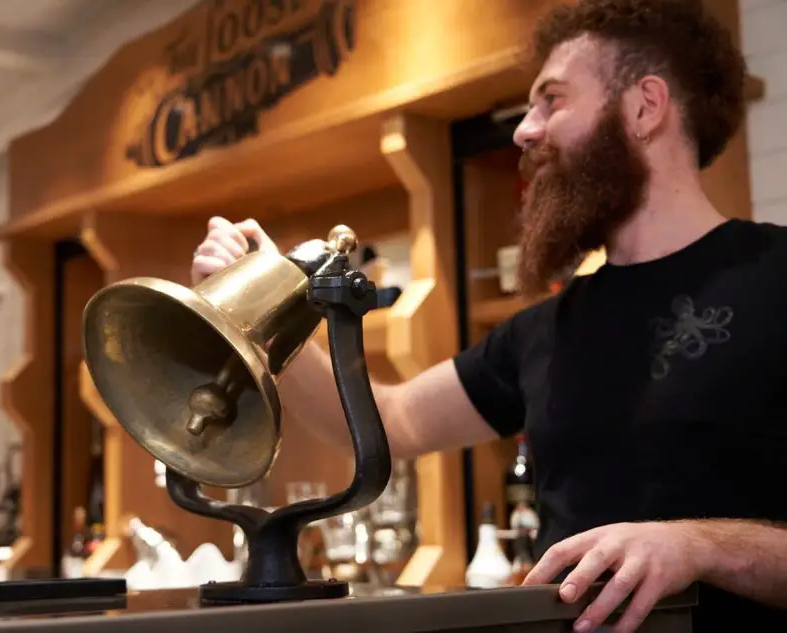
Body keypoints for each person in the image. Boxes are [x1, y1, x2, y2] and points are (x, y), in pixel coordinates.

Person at [190, 1, 787, 631]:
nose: (525, 131)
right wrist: (259, 315)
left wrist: (699, 546)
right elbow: (389, 422)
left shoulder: (775, 277)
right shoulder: (544, 330)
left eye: (551, 101)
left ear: (645, 107)